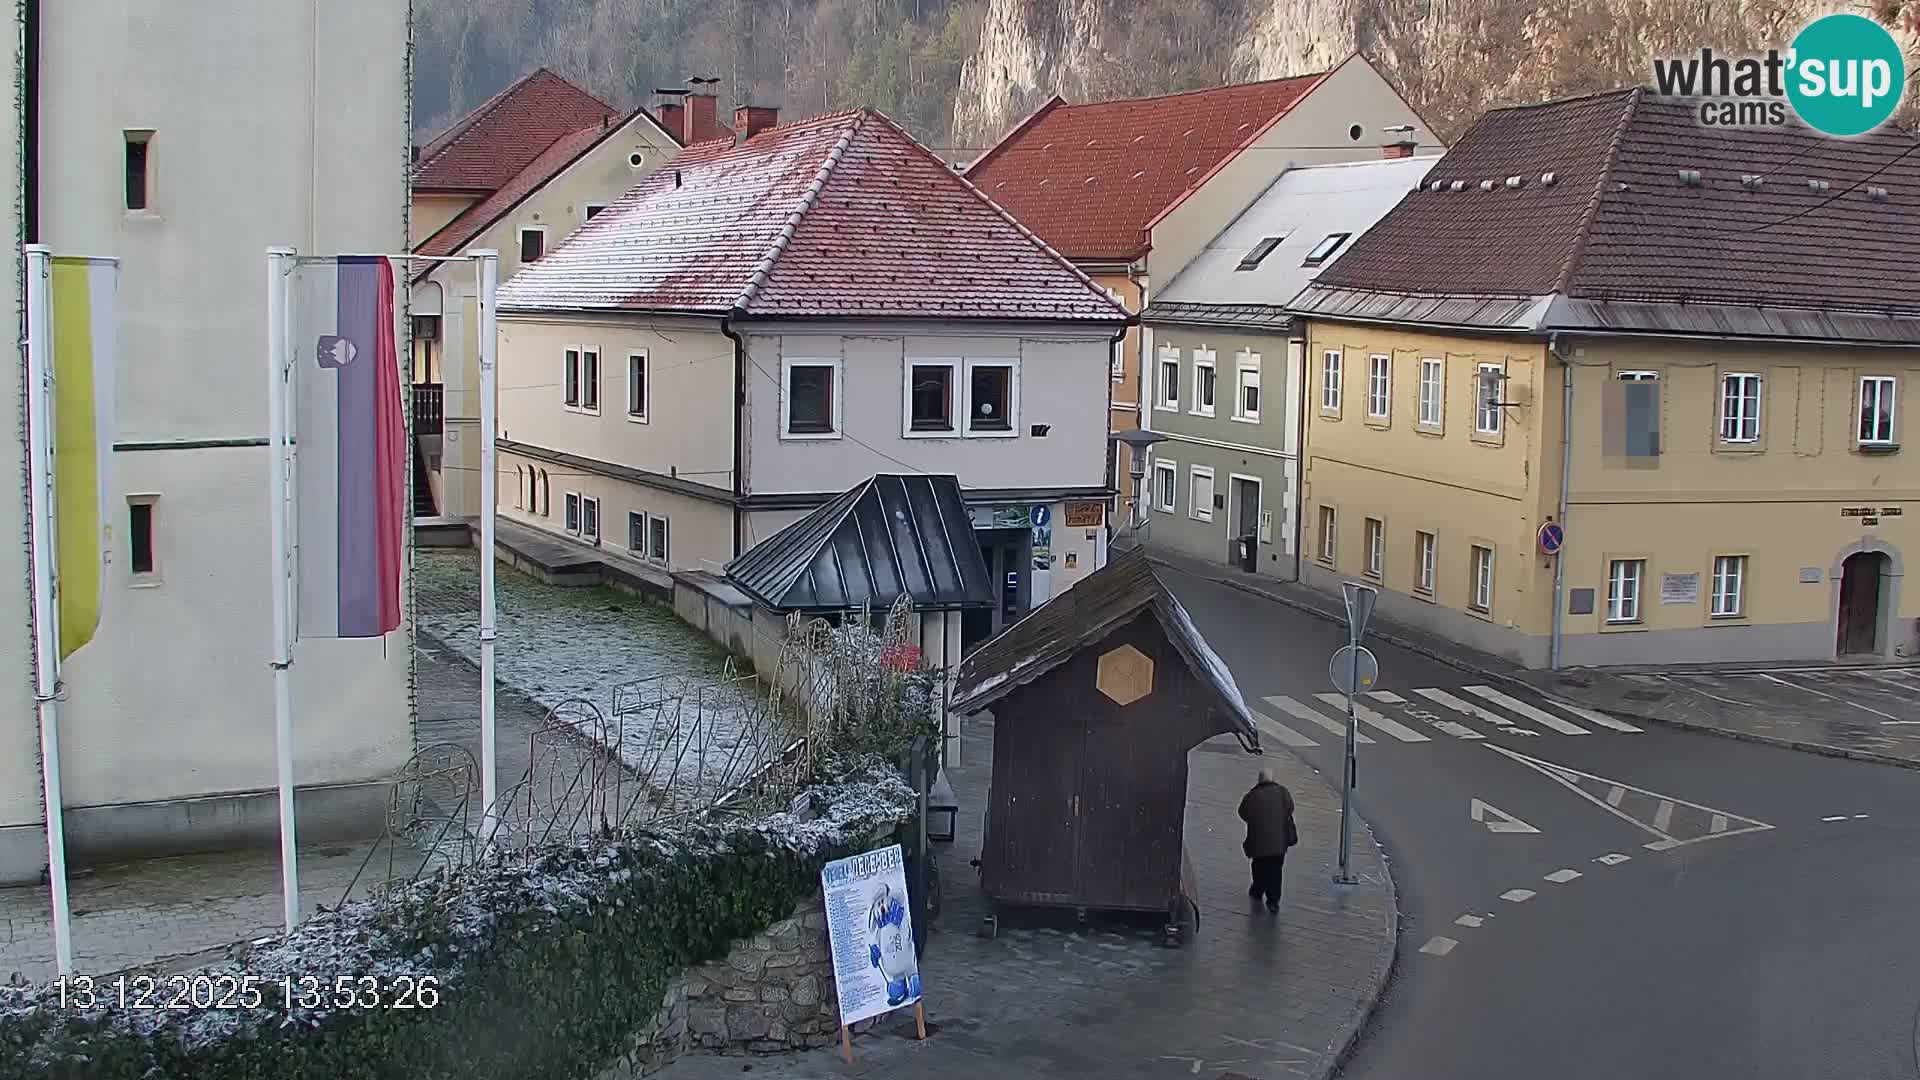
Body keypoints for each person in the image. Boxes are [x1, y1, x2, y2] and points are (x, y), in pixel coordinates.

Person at [1238, 768, 1298, 913]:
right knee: (1276, 871)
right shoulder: (1283, 792)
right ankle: (1273, 901)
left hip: (1258, 842)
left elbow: (1242, 812)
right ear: (1272, 779)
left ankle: (1257, 890)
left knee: (1259, 867)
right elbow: (1290, 808)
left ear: (1259, 780)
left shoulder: (1252, 796)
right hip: (1279, 842)